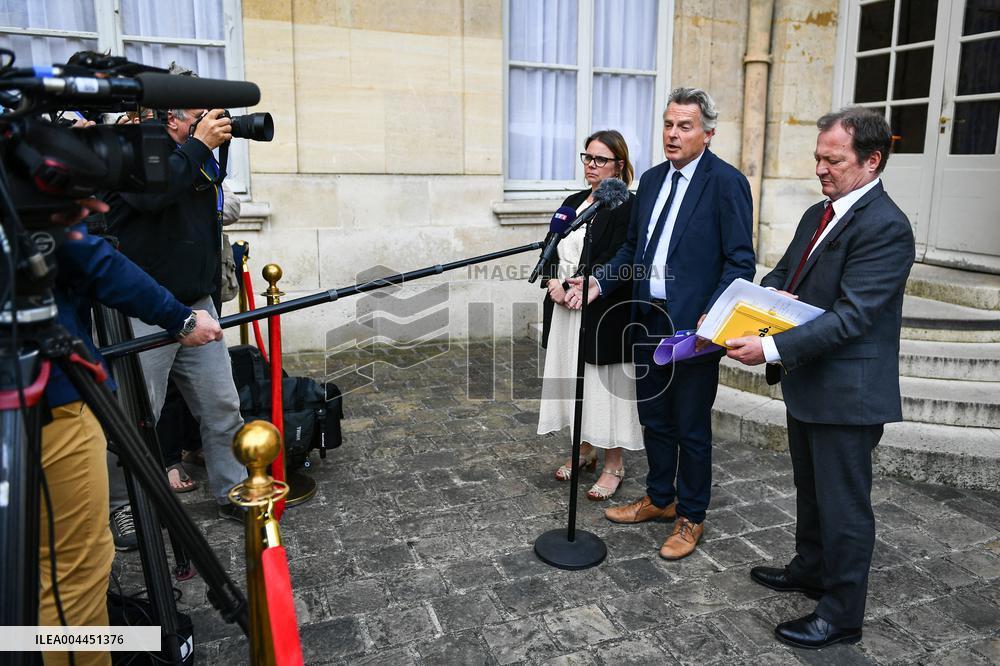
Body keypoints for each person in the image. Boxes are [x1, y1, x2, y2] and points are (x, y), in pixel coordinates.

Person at [726, 107, 915, 649]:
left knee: (844, 505)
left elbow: (853, 316)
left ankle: (841, 614)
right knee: (809, 490)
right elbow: (783, 276)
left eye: (832, 160)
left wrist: (769, 345)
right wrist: (755, 305)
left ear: (872, 160)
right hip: (808, 383)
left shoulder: (886, 226)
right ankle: (810, 568)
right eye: (817, 158)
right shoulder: (819, 213)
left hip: (849, 393)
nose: (820, 169)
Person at [566, 87, 755, 559]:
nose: (672, 134)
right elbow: (632, 249)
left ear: (707, 134)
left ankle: (692, 517)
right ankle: (660, 499)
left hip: (694, 327)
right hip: (644, 317)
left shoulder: (726, 183)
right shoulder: (649, 181)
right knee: (654, 418)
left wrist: (714, 313)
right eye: (668, 125)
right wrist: (599, 283)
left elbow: (739, 261)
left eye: (684, 126)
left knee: (690, 424)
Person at [36, 199, 222, 666]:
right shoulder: (21, 160)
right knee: (74, 569)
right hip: (46, 388)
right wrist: (177, 317)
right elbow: (90, 257)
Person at [102, 87, 248, 531]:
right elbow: (151, 197)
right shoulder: (133, 148)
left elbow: (210, 208)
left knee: (222, 403)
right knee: (133, 414)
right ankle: (123, 507)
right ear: (171, 118)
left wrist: (204, 150)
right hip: (144, 305)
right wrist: (198, 145)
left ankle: (234, 489)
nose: (213, 124)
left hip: (195, 302)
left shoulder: (196, 154)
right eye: (202, 116)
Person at [537, 129, 643, 501]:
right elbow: (551, 247)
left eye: (601, 159)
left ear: (620, 165)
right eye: (587, 157)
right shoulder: (573, 201)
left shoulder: (627, 206)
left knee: (603, 386)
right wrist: (553, 283)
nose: (591, 166)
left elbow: (622, 257)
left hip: (601, 310)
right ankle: (584, 449)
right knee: (572, 381)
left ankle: (614, 462)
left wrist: (585, 285)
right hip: (564, 307)